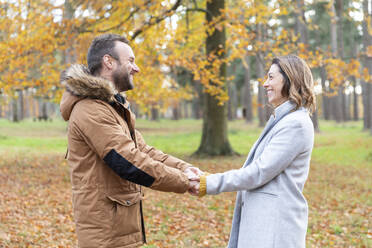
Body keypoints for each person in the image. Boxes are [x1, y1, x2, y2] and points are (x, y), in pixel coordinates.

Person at [60, 34, 200, 248]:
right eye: (131, 61)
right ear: (109, 62)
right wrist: (184, 181)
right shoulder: (91, 110)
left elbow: (145, 151)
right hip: (105, 236)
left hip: (119, 229)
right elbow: (129, 161)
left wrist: (186, 168)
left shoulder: (111, 108)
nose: (137, 69)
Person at [192, 55, 315, 248]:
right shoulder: (283, 120)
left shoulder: (295, 125)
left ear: (290, 79)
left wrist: (209, 183)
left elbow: (258, 172)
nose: (265, 84)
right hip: (265, 223)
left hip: (275, 227)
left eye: (271, 77)